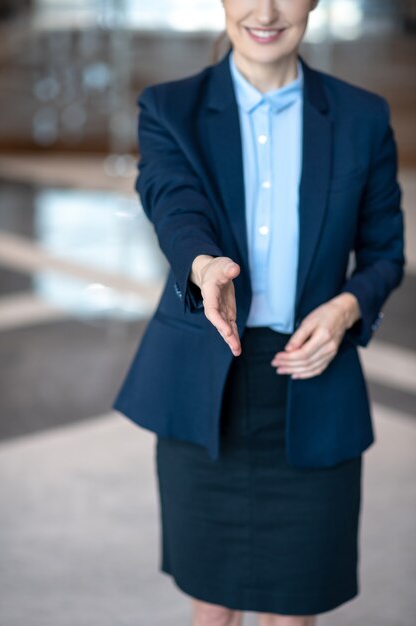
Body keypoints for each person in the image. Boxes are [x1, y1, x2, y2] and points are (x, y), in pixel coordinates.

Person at [112, 1, 406, 624]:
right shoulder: (170, 108)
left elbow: (385, 253)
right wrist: (202, 267)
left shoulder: (361, 115)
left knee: (294, 609)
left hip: (313, 382)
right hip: (206, 383)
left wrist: (346, 308)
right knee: (213, 606)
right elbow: (173, 203)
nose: (266, 11)